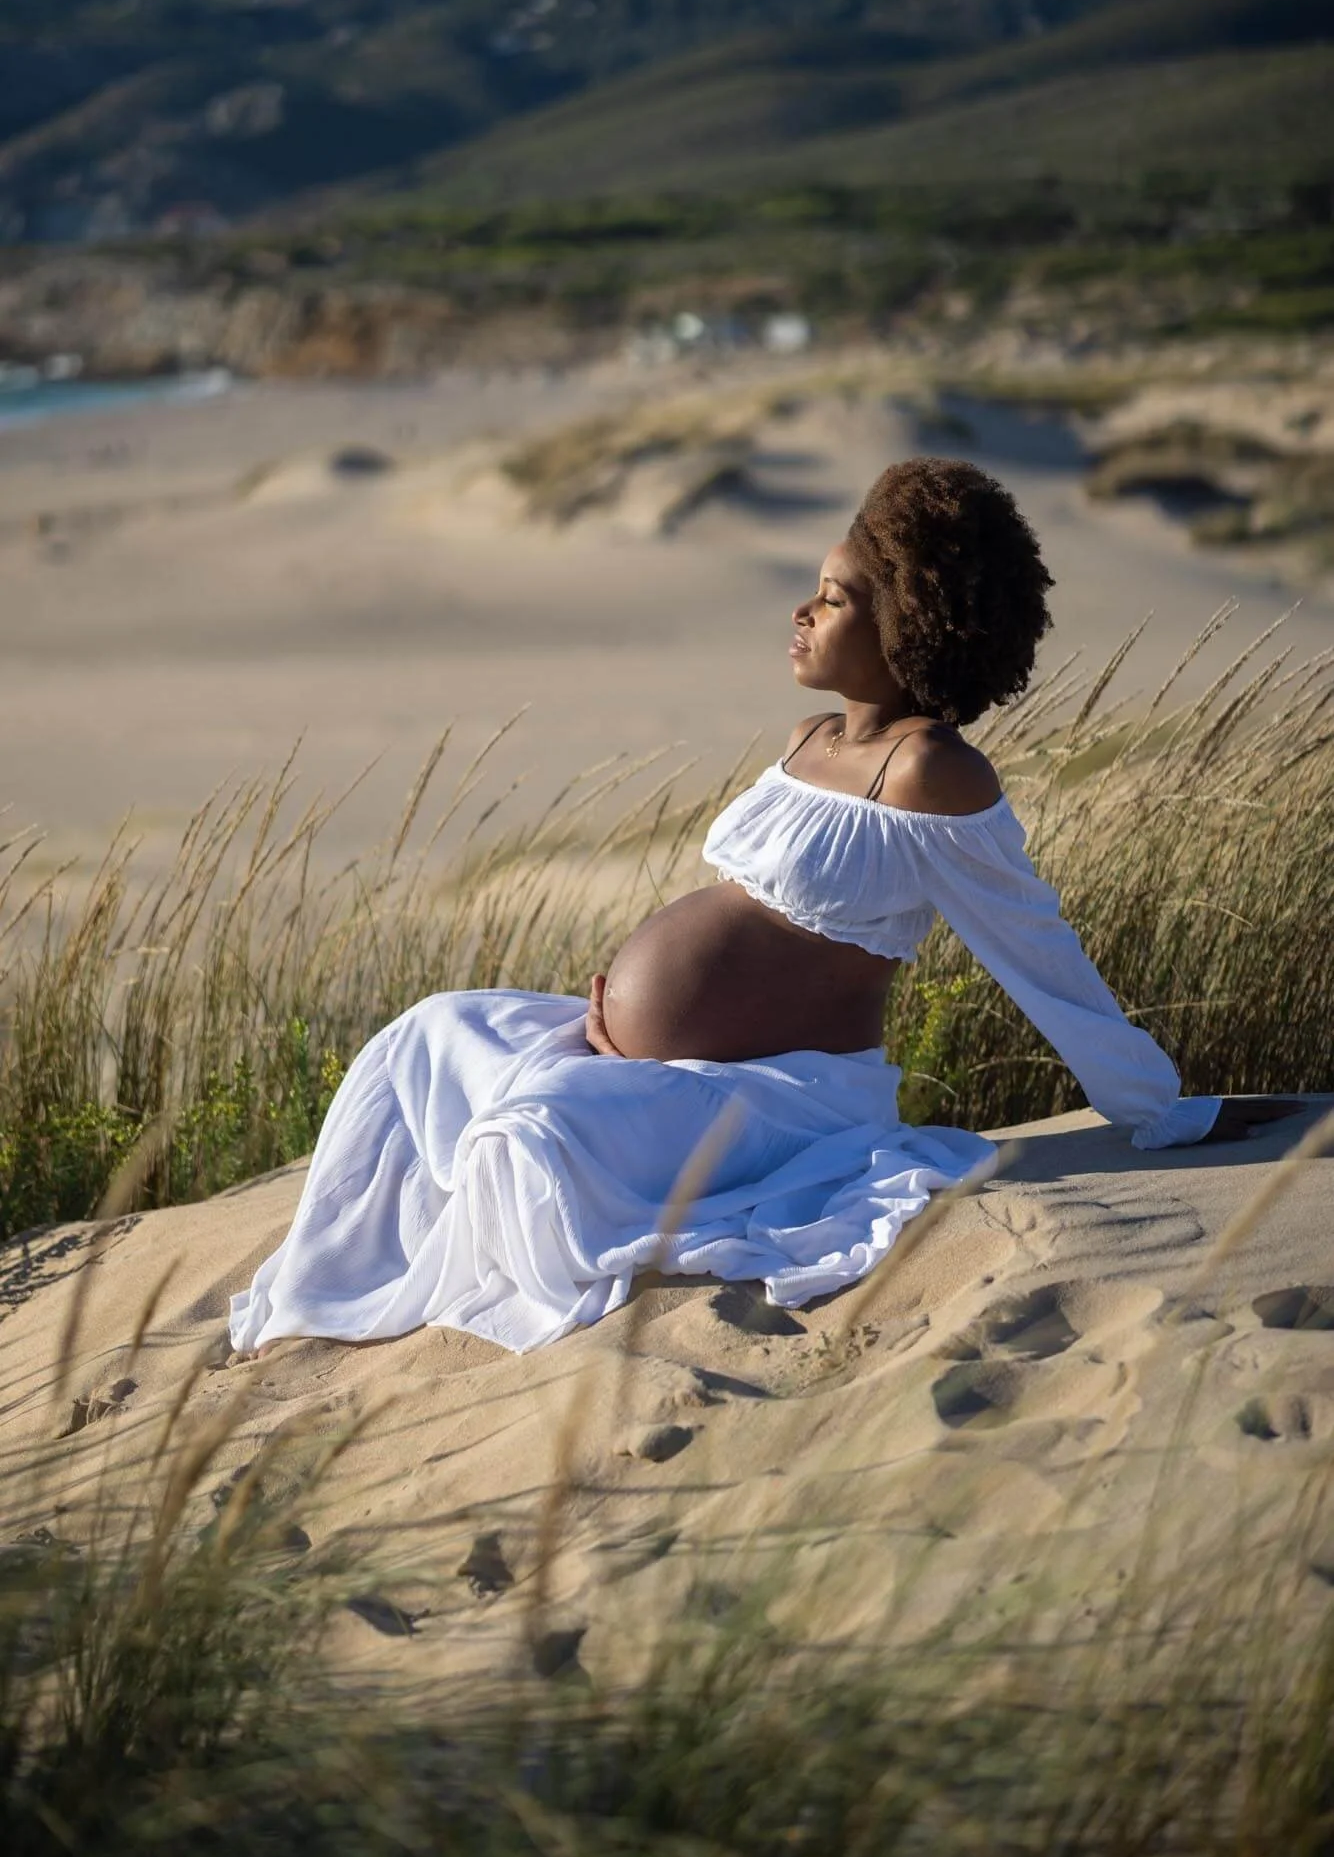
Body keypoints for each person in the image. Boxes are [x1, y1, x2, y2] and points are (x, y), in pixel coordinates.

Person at [230, 458, 1295, 1358]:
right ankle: (325, 1287)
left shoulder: (927, 774)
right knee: (424, 1035)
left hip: (776, 1101)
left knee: (527, 1142)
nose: (802, 611)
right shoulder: (808, 742)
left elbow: (1036, 951)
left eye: (833, 597)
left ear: (907, 620)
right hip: (636, 1063)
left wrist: (1159, 1109)